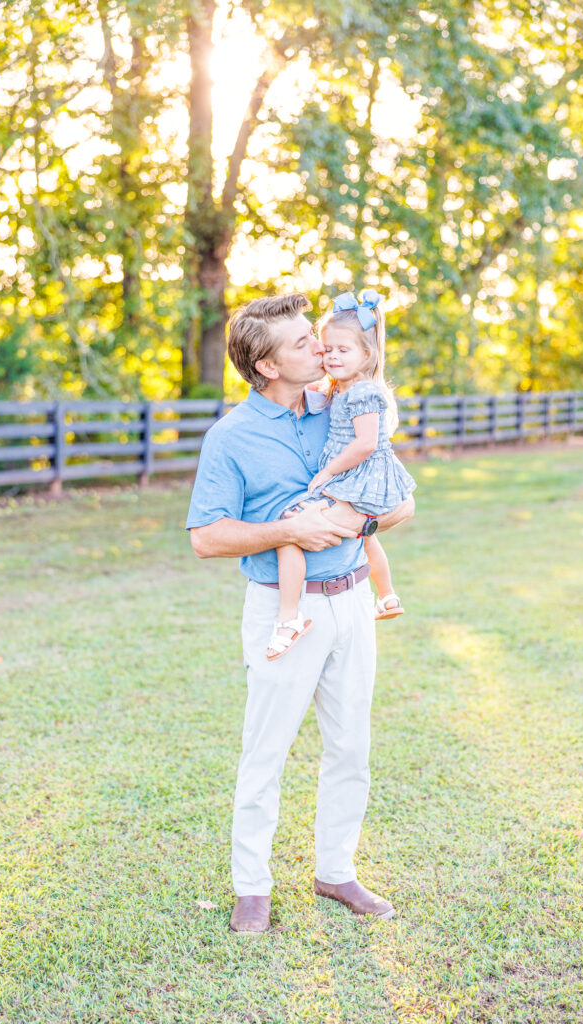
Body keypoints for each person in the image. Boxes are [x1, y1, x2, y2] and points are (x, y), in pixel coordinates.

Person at [186, 293, 415, 934]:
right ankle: (251, 887)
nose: (320, 348)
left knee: (351, 748)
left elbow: (401, 502)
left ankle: (336, 872)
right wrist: (290, 531)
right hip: (283, 610)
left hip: (354, 599)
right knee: (266, 752)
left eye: (317, 337)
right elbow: (206, 538)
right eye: (302, 343)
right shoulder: (230, 437)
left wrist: (354, 523)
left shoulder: (345, 406)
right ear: (266, 365)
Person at [266, 289, 417, 661]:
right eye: (328, 348)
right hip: (357, 481)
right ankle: (388, 595)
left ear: (367, 355)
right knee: (365, 538)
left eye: (343, 350)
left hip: (359, 479)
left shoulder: (363, 392)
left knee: (289, 530)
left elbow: (365, 444)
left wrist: (327, 472)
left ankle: (288, 618)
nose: (332, 356)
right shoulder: (343, 387)